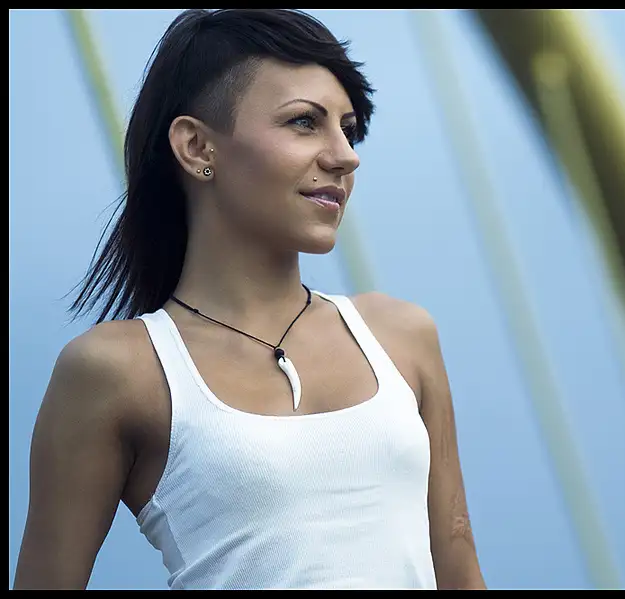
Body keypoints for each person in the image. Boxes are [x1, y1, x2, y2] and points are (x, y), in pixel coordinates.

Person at [13, 8, 486, 591]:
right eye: (304, 122)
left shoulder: (403, 337)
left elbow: (460, 569)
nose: (346, 155)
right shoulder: (119, 371)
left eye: (348, 128)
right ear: (196, 147)